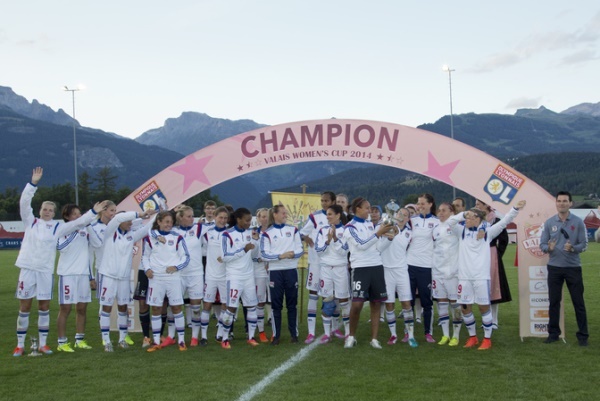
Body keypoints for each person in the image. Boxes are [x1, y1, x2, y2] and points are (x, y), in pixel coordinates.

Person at [13, 167, 102, 357]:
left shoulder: (57, 228)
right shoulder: (30, 222)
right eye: (45, 209)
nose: (47, 212)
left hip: (45, 271)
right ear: (40, 211)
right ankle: (20, 345)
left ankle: (43, 344)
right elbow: (24, 203)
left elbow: (78, 223)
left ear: (54, 213)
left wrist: (94, 211)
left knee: (44, 307)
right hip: (27, 268)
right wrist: (33, 184)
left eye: (50, 210)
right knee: (25, 306)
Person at [448, 200, 525, 350]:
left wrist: (515, 209)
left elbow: (504, 222)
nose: (466, 220)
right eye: (466, 217)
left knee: (484, 308)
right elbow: (450, 222)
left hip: (481, 277)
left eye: (470, 217)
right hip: (464, 278)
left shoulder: (488, 232)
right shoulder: (461, 231)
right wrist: (463, 214)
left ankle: (487, 339)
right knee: (465, 308)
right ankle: (472, 337)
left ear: (478, 219)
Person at [98, 208, 157, 352]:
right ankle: (106, 340)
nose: (131, 223)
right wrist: (139, 214)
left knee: (123, 308)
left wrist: (158, 214)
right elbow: (118, 219)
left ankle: (122, 338)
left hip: (123, 278)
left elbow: (148, 227)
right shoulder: (109, 232)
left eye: (131, 220)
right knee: (106, 308)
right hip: (109, 277)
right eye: (128, 221)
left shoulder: (131, 235)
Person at [56, 201, 109, 352]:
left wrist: (88, 227)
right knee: (65, 308)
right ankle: (62, 342)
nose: (78, 217)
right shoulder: (63, 230)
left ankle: (80, 339)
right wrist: (78, 227)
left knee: (82, 309)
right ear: (67, 216)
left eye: (80, 214)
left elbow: (97, 244)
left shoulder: (86, 228)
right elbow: (61, 247)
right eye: (75, 214)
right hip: (67, 274)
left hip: (83, 274)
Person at [539, 191, 589, 346]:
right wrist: (549, 247)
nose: (562, 203)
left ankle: (583, 336)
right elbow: (542, 245)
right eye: (559, 201)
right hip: (554, 268)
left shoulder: (578, 222)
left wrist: (573, 248)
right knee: (554, 302)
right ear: (556, 203)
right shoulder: (549, 223)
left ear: (570, 203)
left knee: (578, 302)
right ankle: (553, 334)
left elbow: (584, 244)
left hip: (573, 268)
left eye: (565, 201)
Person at [343, 197, 392, 349]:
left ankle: (374, 339)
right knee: (357, 304)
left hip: (376, 266)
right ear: (357, 209)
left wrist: (390, 238)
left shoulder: (370, 225)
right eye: (367, 207)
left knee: (376, 303)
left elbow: (377, 247)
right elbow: (362, 245)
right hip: (360, 269)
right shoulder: (350, 227)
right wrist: (379, 233)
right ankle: (351, 336)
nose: (369, 210)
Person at [144, 211, 190, 352]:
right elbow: (145, 256)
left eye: (171, 222)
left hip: (173, 277)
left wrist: (176, 267)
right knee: (156, 308)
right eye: (166, 222)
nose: (169, 225)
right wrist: (147, 269)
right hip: (156, 278)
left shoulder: (178, 237)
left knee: (176, 308)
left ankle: (181, 340)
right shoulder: (150, 238)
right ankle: (156, 341)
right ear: (159, 222)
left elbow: (186, 257)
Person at [260, 205, 304, 345]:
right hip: (275, 272)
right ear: (275, 214)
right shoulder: (267, 233)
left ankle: (294, 335)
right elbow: (264, 254)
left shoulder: (293, 230)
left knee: (292, 304)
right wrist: (281, 256)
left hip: (291, 270)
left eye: (286, 213)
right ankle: (276, 335)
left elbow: (300, 249)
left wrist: (291, 255)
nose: (286, 215)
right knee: (276, 305)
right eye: (283, 213)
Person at [219, 208, 261, 349]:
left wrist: (256, 242)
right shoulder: (227, 235)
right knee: (231, 308)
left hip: (248, 275)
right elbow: (225, 257)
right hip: (235, 276)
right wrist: (243, 249)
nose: (249, 223)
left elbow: (255, 255)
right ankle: (225, 338)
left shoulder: (251, 233)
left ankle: (251, 337)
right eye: (247, 220)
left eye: (250, 220)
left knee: (251, 306)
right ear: (238, 219)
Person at [379, 208, 418, 347]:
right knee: (389, 304)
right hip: (386, 270)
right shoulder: (385, 227)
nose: (401, 216)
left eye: (405, 214)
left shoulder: (410, 233)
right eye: (399, 213)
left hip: (402, 271)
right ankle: (393, 335)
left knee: (406, 303)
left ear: (408, 219)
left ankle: (411, 335)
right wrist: (388, 233)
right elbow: (379, 247)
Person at [300, 191, 336, 344]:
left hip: (332, 263)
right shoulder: (314, 217)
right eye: (322, 200)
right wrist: (306, 238)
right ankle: (311, 332)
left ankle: (333, 329)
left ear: (333, 201)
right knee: (313, 294)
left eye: (326, 200)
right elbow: (301, 233)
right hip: (315, 262)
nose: (323, 203)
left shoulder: (338, 216)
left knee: (331, 296)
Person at [314, 204, 350, 343]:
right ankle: (327, 334)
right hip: (326, 269)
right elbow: (319, 251)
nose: (327, 216)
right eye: (327, 214)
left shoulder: (346, 230)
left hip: (340, 269)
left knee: (344, 301)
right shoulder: (322, 230)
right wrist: (328, 241)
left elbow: (344, 251)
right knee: (327, 301)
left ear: (338, 215)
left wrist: (335, 239)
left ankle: (347, 333)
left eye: (330, 214)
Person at [172, 206, 207, 347]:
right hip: (178, 274)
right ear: (180, 217)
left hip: (196, 273)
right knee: (174, 306)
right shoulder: (173, 231)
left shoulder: (199, 228)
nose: (192, 218)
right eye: (188, 216)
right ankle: (174, 336)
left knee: (196, 307)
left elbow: (218, 226)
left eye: (193, 216)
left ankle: (194, 337)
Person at [406, 193, 439, 343]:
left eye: (423, 203)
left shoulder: (437, 222)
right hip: (410, 265)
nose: (420, 206)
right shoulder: (411, 221)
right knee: (409, 301)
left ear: (430, 204)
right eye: (418, 203)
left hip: (426, 267)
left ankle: (428, 333)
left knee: (427, 302)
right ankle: (408, 333)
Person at [475, 199, 511, 329]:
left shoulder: (496, 221)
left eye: (478, 204)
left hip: (492, 255)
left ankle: (494, 320)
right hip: (480, 257)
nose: (476, 206)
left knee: (494, 287)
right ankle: (486, 318)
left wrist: (497, 253)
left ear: (486, 206)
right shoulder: (477, 220)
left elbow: (504, 240)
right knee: (483, 288)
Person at [432, 202, 462, 346]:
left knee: (455, 304)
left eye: (444, 210)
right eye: (439, 210)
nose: (440, 213)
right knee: (441, 303)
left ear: (452, 212)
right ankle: (445, 335)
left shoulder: (456, 227)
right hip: (437, 272)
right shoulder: (435, 228)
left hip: (453, 272)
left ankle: (455, 335)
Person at [200, 206, 230, 344]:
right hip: (210, 275)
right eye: (220, 217)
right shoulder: (207, 232)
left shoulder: (230, 233)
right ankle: (204, 337)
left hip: (225, 275)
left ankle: (221, 334)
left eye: (225, 218)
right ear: (215, 217)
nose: (223, 220)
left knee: (225, 304)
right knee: (207, 305)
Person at [252, 208, 271, 342]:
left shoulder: (272, 233)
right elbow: (251, 253)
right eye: (262, 217)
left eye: (266, 216)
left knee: (264, 301)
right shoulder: (252, 233)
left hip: (268, 270)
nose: (264, 219)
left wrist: (266, 259)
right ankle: (254, 331)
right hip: (254, 270)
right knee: (253, 301)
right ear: (258, 218)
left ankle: (263, 331)